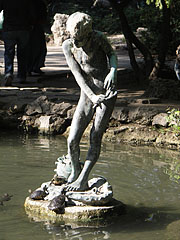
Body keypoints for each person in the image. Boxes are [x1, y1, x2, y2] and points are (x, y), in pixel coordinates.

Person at [62, 12, 117, 192]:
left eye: (81, 40)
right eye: (74, 38)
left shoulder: (99, 38)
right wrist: (92, 96)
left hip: (106, 93)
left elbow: (112, 55)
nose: (77, 43)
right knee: (72, 139)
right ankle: (76, 170)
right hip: (88, 94)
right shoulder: (68, 45)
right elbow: (78, 75)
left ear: (88, 33)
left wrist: (113, 71)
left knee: (95, 136)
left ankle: (83, 179)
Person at [0, 0, 36, 86]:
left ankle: (8, 73)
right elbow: (32, 12)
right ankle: (22, 76)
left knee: (9, 52)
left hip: (9, 28)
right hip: (24, 28)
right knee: (22, 53)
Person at [27, 0, 48, 76]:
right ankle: (32, 67)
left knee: (37, 48)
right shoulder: (36, 3)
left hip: (34, 26)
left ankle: (34, 67)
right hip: (34, 26)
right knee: (36, 48)